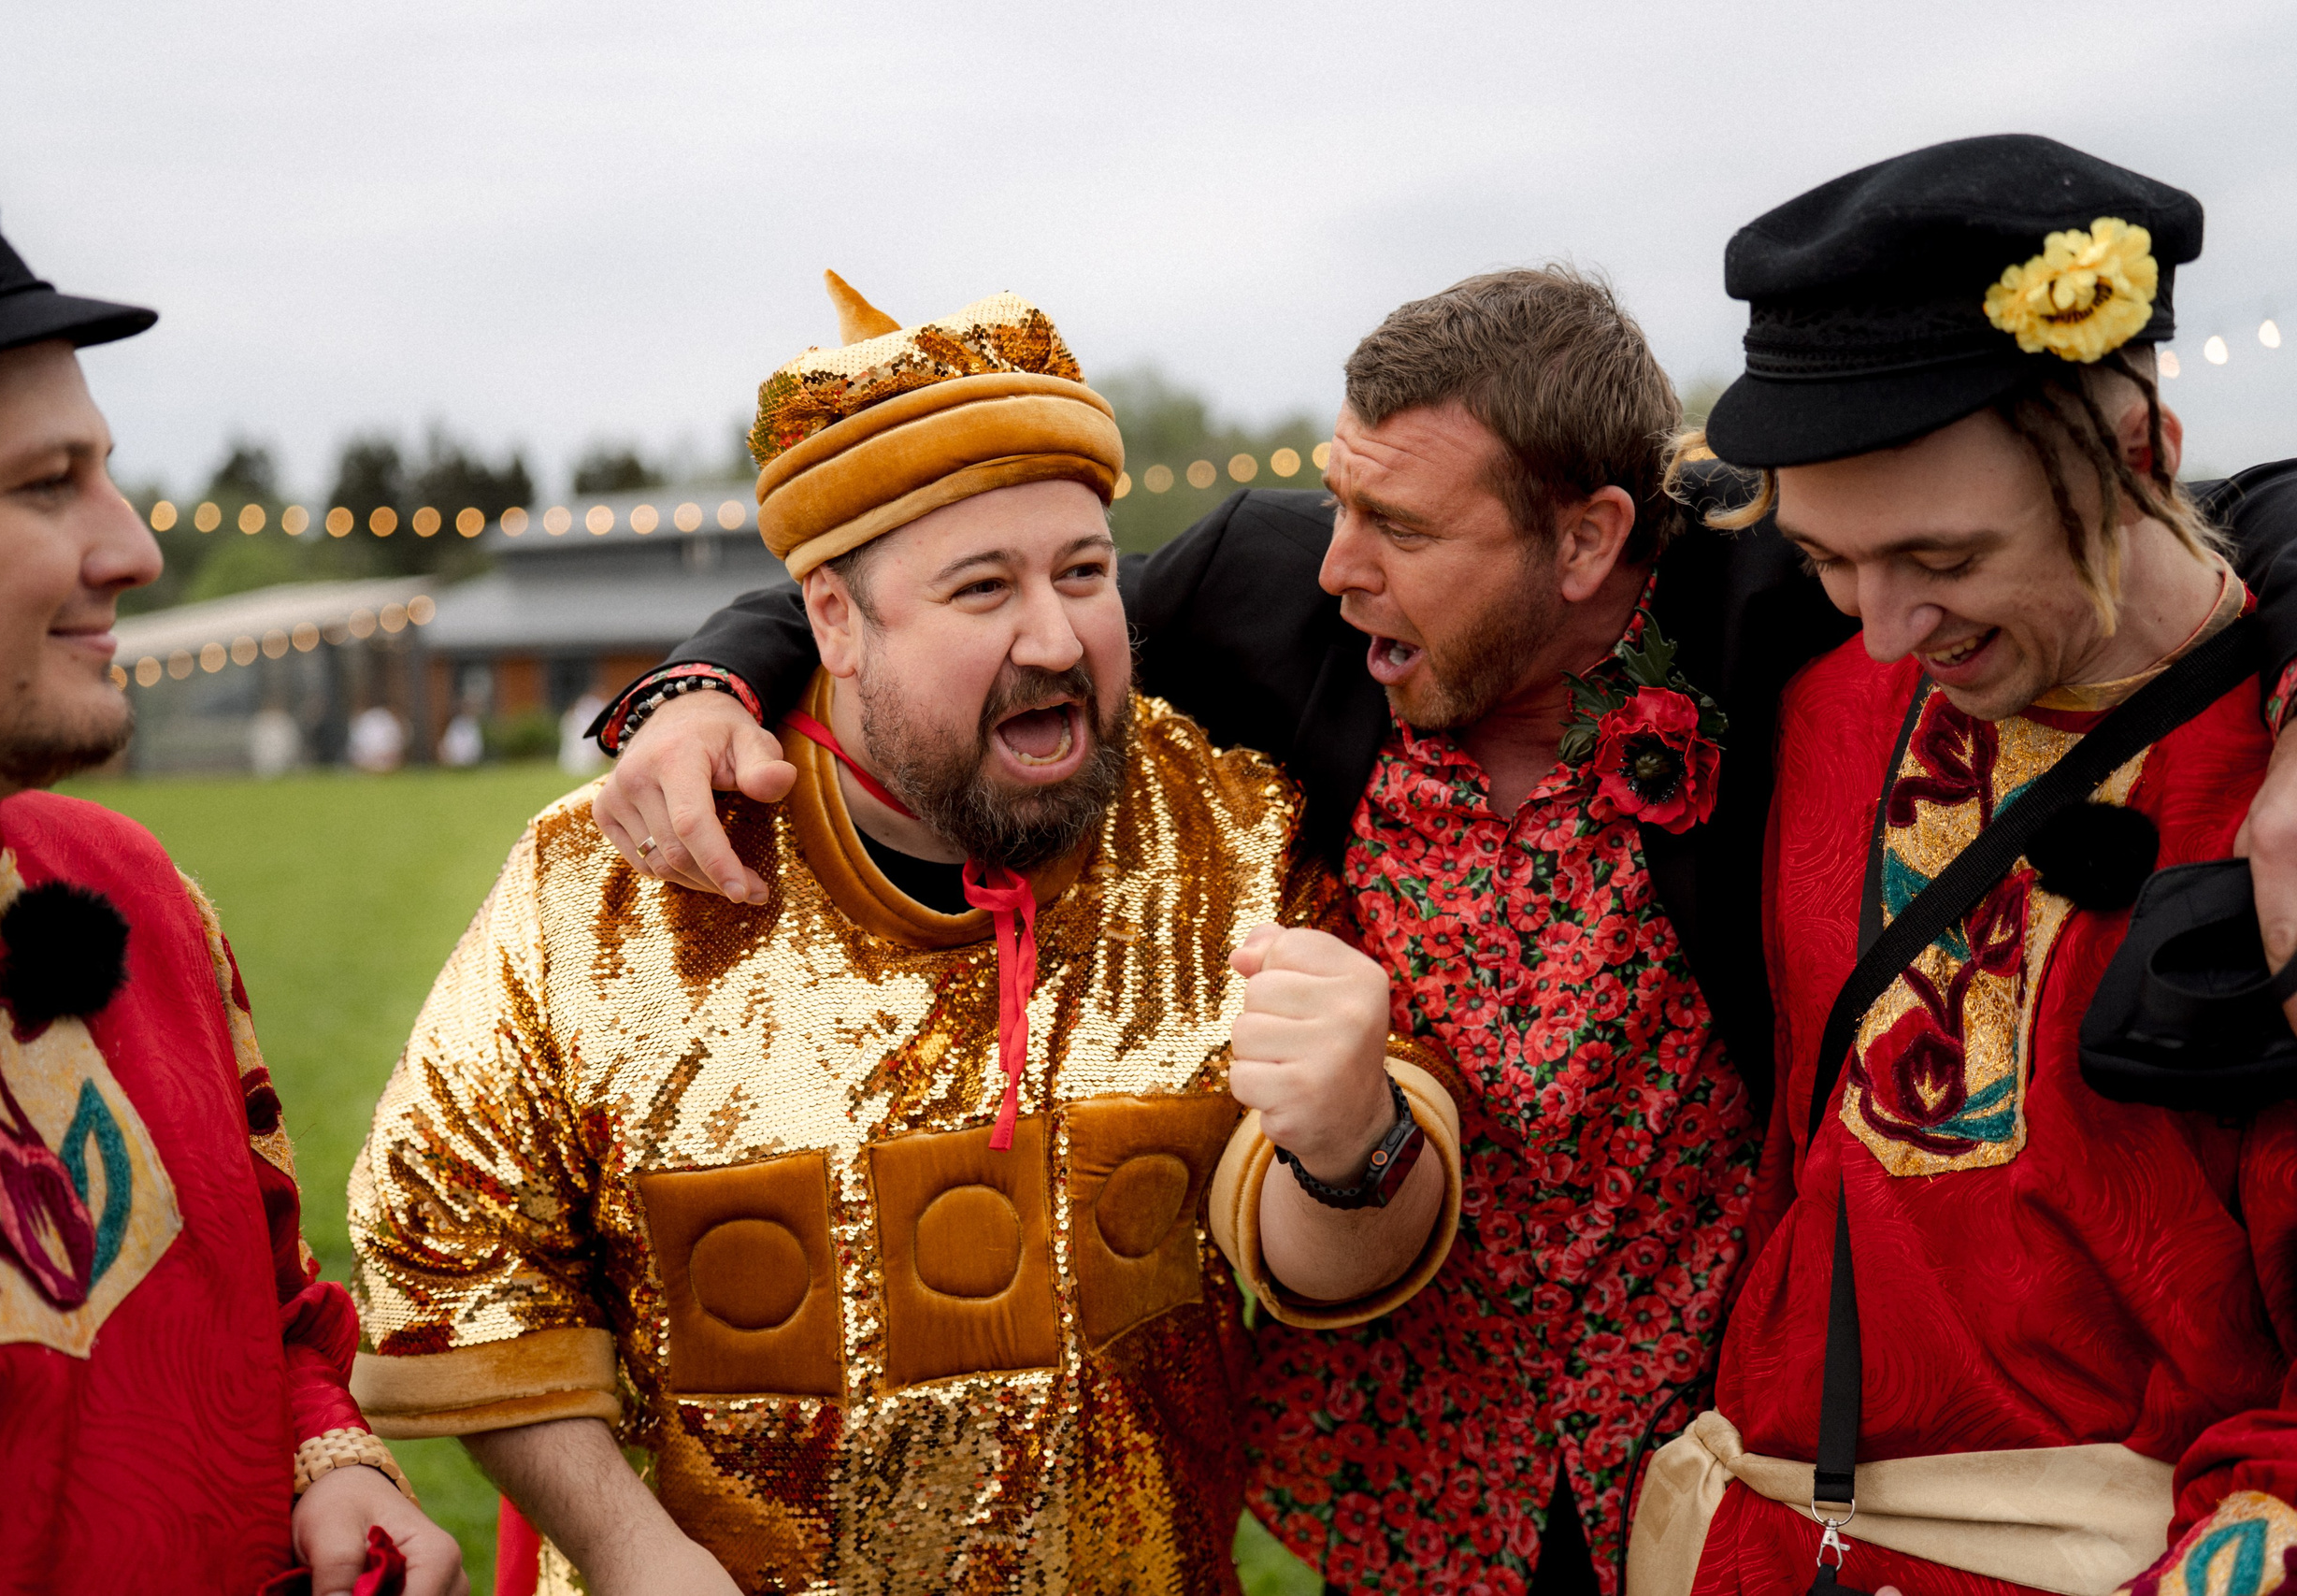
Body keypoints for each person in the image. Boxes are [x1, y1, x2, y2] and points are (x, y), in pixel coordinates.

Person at [586, 265, 2297, 1592]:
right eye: (1341, 503)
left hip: (1709, 1479)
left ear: (1591, 540)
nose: (1340, 562)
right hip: (1392, 1491)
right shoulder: (1271, 592)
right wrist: (708, 673)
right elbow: (944, 598)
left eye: (1400, 527)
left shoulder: (1774, 596)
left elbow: (2197, 532)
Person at [345, 276, 1467, 1595]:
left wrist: (1350, 1146)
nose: (1054, 635)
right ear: (831, 621)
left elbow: (1335, 1255)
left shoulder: (1234, 837)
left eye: (1086, 573)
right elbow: (452, 1256)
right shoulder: (612, 884)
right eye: (982, 588)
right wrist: (629, 1547)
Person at [1625, 134, 2297, 1596]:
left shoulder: (2270, 785)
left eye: (1942, 557)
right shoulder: (1812, 691)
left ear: (2136, 457)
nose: (1880, 629)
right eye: (1828, 562)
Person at [0, 166, 463, 1592]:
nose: (135, 548)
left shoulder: (135, 888)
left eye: (100, 467)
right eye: (45, 486)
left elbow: (273, 1315)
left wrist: (331, 1458)